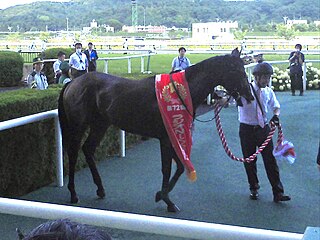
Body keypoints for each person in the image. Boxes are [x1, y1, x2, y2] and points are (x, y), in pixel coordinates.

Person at [237, 62, 291, 203]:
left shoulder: (268, 91)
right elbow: (228, 101)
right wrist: (222, 100)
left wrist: (276, 116)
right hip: (246, 129)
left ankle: (278, 192)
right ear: (256, 77)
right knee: (250, 160)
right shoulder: (245, 90)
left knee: (270, 161)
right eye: (265, 78)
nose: (267, 81)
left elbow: (276, 106)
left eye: (268, 77)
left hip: (263, 129)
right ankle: (253, 187)